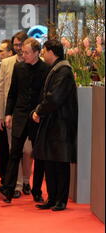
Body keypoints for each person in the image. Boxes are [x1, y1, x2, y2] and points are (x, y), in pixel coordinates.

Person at [0, 38, 49, 203]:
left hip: (36, 116)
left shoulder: (46, 69)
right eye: (23, 52)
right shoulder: (18, 67)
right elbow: (12, 93)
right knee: (14, 153)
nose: (23, 54)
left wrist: (40, 112)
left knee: (38, 155)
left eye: (26, 52)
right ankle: (8, 189)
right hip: (19, 115)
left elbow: (46, 96)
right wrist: (8, 113)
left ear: (36, 53)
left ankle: (37, 191)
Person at [31, 39, 78, 211]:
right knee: (50, 160)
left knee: (60, 162)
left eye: (44, 50)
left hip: (61, 122)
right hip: (52, 121)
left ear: (52, 51)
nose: (43, 53)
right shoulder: (57, 68)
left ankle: (61, 199)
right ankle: (52, 197)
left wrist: (39, 111)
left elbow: (55, 97)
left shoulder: (63, 70)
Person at [0, 31, 33, 198]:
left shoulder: (37, 63)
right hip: (12, 113)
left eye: (20, 45)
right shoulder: (6, 63)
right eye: (15, 45)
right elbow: (1, 90)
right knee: (14, 150)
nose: (17, 48)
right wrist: (0, 115)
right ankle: (17, 185)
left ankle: (26, 180)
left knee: (28, 150)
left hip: (30, 114)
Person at [0, 39, 13, 192]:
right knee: (2, 149)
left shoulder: (16, 66)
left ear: (10, 52)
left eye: (2, 51)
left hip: (14, 113)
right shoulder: (0, 67)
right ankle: (3, 180)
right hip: (1, 112)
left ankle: (13, 181)